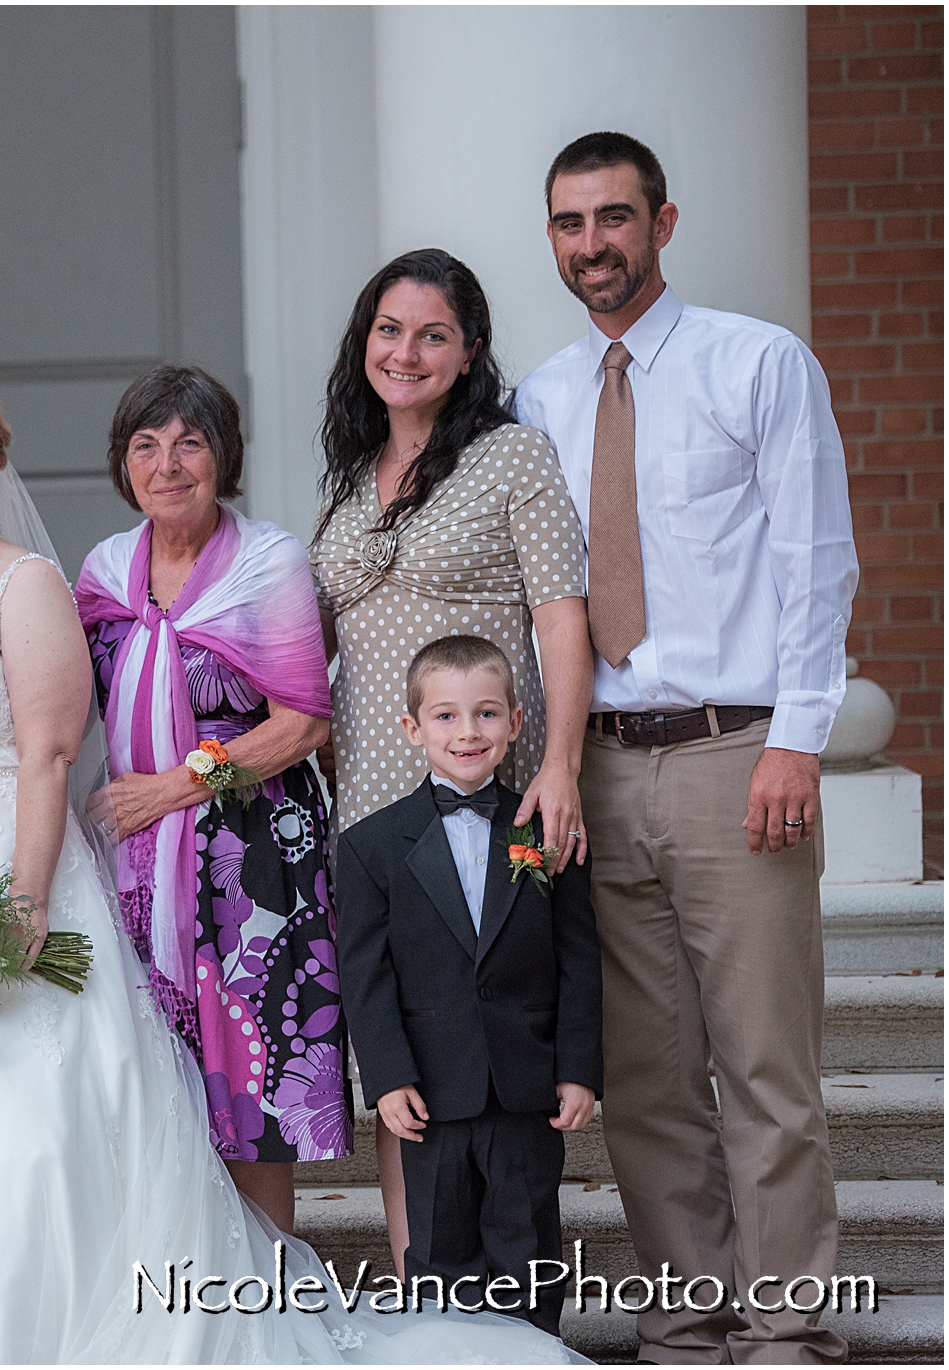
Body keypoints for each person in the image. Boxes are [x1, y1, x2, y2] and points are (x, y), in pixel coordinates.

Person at [0, 372, 581, 1364]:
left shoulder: (27, 581)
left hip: (35, 868)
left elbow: (51, 751)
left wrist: (21, 899)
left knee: (69, 1127)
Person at [512, 130, 858, 1364]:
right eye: (568, 223)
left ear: (662, 221)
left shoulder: (757, 363)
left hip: (734, 753)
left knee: (764, 1059)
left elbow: (815, 559)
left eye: (612, 217)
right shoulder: (538, 398)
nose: (590, 244)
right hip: (596, 764)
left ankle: (787, 1321)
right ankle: (688, 1307)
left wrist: (798, 740)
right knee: (648, 1074)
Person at [310, 247, 592, 1275]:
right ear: (363, 342)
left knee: (488, 1024)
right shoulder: (348, 473)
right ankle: (416, 1284)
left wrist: (557, 762)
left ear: (467, 350)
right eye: (389, 329)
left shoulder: (512, 457)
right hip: (377, 805)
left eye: (432, 333)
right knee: (404, 1043)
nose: (407, 351)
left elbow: (561, 619)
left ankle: (503, 1292)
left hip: (488, 784)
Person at [76, 365, 342, 1233]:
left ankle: (262, 1302)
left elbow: (301, 722)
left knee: (250, 1093)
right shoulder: (104, 572)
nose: (168, 463)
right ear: (124, 464)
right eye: (145, 445)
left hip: (255, 860)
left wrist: (177, 788)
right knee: (154, 1090)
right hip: (137, 865)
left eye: (191, 441)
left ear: (223, 455)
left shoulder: (268, 562)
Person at [336, 635, 603, 1338]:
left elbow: (579, 962)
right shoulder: (370, 846)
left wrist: (578, 1070)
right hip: (431, 1092)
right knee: (439, 1253)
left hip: (526, 1088)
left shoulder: (549, 832)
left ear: (516, 723)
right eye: (447, 717)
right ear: (412, 729)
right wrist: (387, 1078)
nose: (467, 733)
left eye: (486, 714)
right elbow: (365, 976)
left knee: (529, 1250)